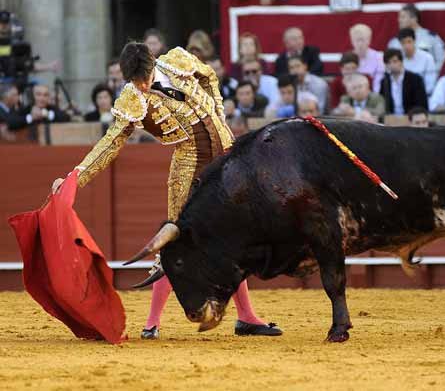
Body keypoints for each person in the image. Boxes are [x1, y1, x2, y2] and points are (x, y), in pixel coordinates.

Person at [50, 43, 281, 340]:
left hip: (225, 155)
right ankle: (152, 323)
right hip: (189, 165)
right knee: (174, 240)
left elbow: (209, 75)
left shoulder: (177, 60)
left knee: (232, 236)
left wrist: (219, 112)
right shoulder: (132, 98)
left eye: (144, 77)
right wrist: (75, 176)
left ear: (152, 64)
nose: (143, 86)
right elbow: (110, 143)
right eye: (136, 81)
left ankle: (246, 317)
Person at [387, 4, 445, 71]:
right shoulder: (394, 41)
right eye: (399, 17)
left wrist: (430, 76)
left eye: (403, 17)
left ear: (414, 18)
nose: (399, 20)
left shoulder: (431, 38)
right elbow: (389, 64)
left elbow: (441, 61)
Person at [379, 48, 428, 115]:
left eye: (395, 61)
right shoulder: (384, 82)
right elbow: (383, 103)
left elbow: (422, 104)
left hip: (411, 117)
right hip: (391, 119)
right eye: (388, 62)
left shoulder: (415, 79)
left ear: (401, 62)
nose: (392, 65)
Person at [397, 28, 437, 95]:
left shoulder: (427, 58)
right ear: (400, 44)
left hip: (422, 96)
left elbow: (430, 84)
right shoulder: (397, 59)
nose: (407, 46)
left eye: (409, 41)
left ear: (414, 41)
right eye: (403, 43)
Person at [350, 23, 385, 92]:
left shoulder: (379, 57)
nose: (360, 43)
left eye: (362, 40)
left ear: (369, 40)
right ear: (352, 41)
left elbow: (379, 82)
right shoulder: (348, 58)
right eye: (357, 40)